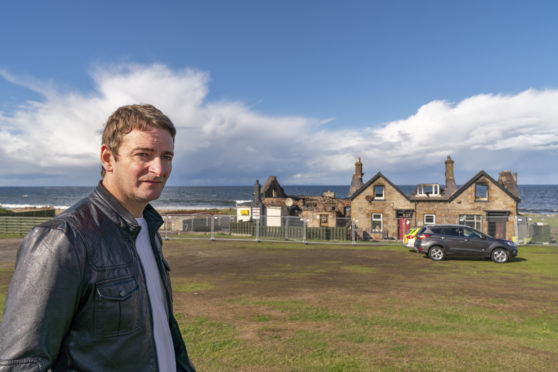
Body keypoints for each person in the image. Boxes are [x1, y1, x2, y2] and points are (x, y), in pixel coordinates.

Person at [0, 104, 196, 371]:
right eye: (143, 155)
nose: (159, 169)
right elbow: (21, 363)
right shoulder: (63, 239)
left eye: (167, 156)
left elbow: (163, 333)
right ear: (107, 158)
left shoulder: (149, 231)